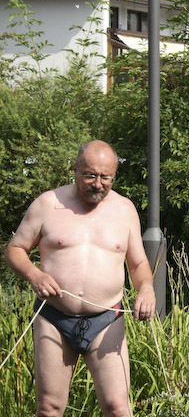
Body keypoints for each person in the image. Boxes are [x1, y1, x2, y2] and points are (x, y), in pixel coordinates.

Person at [4, 140, 156, 417]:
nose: (97, 184)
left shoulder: (125, 210)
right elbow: (15, 250)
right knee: (49, 408)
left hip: (107, 318)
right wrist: (34, 274)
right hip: (54, 317)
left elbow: (139, 263)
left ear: (113, 176)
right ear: (74, 169)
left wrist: (146, 289)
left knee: (118, 407)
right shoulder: (48, 204)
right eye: (89, 175)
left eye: (105, 177)